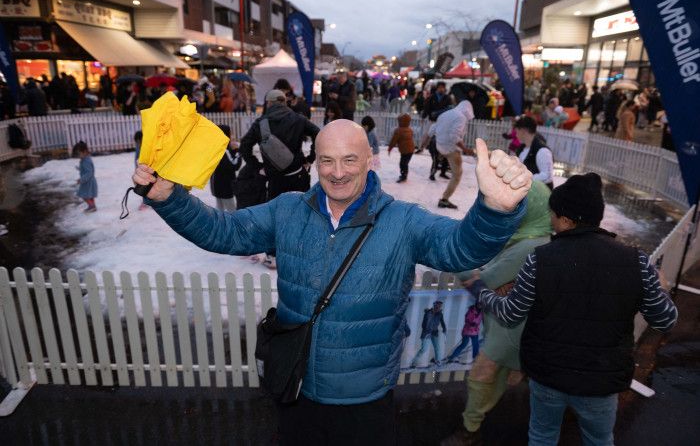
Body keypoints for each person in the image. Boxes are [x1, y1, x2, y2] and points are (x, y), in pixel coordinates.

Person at [132, 117, 532, 445]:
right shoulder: (288, 210)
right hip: (298, 389)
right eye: (326, 160)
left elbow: (459, 249)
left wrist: (494, 212)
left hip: (365, 402)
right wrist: (170, 199)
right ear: (314, 162)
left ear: (370, 161)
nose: (337, 173)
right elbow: (224, 232)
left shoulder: (402, 221)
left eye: (349, 160)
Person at [467, 173, 678, 446]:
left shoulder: (540, 260)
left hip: (548, 377)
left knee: (542, 437)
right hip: (601, 383)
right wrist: (660, 287)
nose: (550, 220)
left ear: (566, 219)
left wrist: (481, 291)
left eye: (553, 214)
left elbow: (510, 313)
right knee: (599, 440)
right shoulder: (635, 261)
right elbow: (666, 320)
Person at [442, 181, 553, 446]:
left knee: (481, 376)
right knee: (501, 377)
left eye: (516, 207)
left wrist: (465, 268)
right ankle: (481, 418)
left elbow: (485, 278)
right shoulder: (529, 238)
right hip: (513, 325)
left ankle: (470, 430)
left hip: (509, 330)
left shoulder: (528, 246)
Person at [239, 89, 320, 269]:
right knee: (300, 213)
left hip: (275, 179)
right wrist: (311, 158)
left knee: (275, 215)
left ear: (268, 103)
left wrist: (257, 166)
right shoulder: (298, 119)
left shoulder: (261, 123)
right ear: (284, 102)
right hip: (298, 175)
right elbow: (318, 133)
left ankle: (273, 255)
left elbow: (244, 146)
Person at [433, 100, 475, 209]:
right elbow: (454, 136)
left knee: (451, 167)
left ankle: (441, 159)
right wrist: (465, 149)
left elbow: (435, 129)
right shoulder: (461, 117)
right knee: (457, 175)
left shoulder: (446, 113)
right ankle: (444, 199)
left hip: (440, 145)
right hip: (451, 149)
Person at [515, 116, 553, 190]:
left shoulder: (542, 150)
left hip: (540, 195)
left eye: (516, 132)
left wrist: (524, 178)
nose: (516, 135)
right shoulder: (521, 149)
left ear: (523, 131)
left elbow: (547, 176)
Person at [210, 125, 242, 212]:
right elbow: (234, 165)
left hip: (217, 185)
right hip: (225, 186)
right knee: (232, 211)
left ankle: (218, 224)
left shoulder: (216, 147)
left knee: (220, 209)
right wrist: (238, 151)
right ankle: (235, 225)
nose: (232, 135)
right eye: (230, 133)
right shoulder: (224, 150)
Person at [410, 301, 447, 368]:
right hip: (426, 333)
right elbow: (423, 324)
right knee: (424, 349)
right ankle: (414, 362)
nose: (438, 307)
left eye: (440, 306)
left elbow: (442, 322)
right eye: (437, 306)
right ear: (434, 306)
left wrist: (444, 328)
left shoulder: (440, 314)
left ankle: (437, 360)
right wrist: (427, 330)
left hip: (434, 332)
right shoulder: (428, 313)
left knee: (437, 347)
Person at [388, 113, 415, 183]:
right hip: (411, 150)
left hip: (405, 151)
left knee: (403, 163)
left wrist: (390, 148)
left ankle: (404, 176)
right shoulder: (410, 130)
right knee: (404, 163)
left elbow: (393, 141)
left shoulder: (398, 131)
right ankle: (404, 174)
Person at [73, 141, 97, 213]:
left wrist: (81, 179)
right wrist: (80, 168)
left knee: (84, 195)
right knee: (90, 195)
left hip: (87, 181)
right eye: (77, 154)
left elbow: (89, 172)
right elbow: (87, 169)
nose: (78, 156)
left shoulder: (86, 161)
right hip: (90, 181)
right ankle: (92, 206)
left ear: (85, 151)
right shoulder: (85, 159)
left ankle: (92, 206)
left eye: (79, 154)